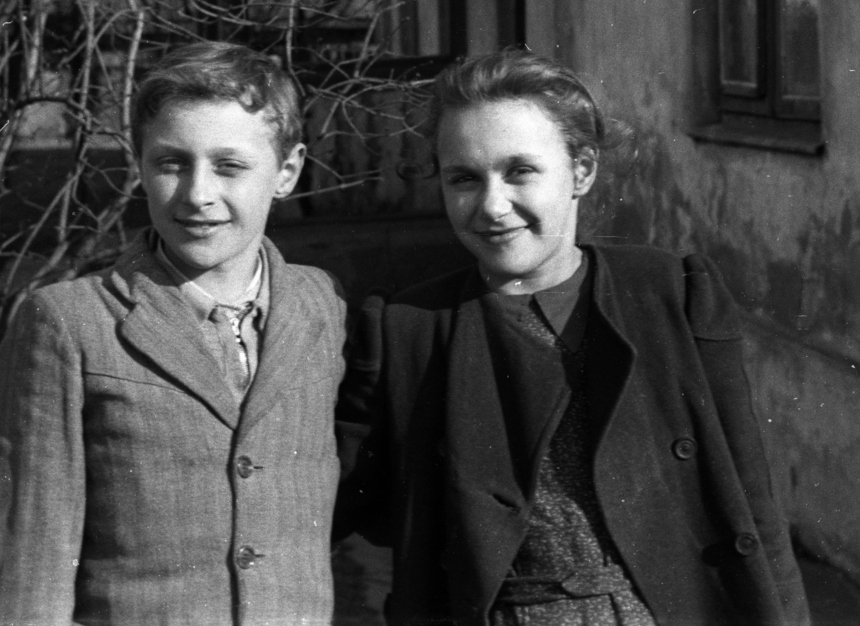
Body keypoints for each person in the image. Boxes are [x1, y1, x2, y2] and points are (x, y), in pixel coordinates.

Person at [336, 49, 810, 626]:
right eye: (463, 178)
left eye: (520, 171)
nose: (492, 206)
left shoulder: (670, 295)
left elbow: (750, 502)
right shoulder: (408, 328)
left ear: (581, 170)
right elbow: (333, 497)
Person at [0, 42, 344, 626]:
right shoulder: (69, 324)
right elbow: (19, 567)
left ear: (286, 172)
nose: (197, 194)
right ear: (139, 166)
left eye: (229, 166)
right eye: (171, 163)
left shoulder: (320, 305)